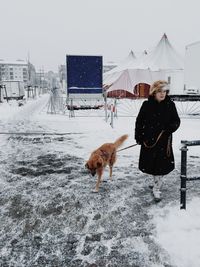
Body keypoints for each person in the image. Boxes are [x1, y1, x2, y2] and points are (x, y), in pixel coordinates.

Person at [135, 80, 180, 202]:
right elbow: (139, 122)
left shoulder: (170, 105)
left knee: (160, 166)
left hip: (163, 141)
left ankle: (157, 188)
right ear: (154, 92)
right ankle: (156, 182)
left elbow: (176, 121)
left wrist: (169, 128)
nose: (162, 94)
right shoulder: (146, 105)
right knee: (151, 165)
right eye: (160, 91)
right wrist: (139, 136)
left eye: (164, 91)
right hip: (149, 141)